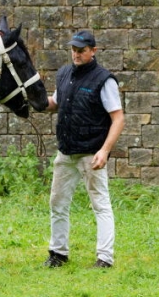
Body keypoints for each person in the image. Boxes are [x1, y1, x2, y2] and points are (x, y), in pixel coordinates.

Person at [42, 29, 124, 268]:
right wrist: (34, 98)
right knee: (57, 203)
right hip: (66, 152)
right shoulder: (64, 74)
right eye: (73, 50)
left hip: (92, 153)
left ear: (93, 51)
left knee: (101, 204)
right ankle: (58, 253)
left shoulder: (104, 80)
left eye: (81, 50)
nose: (76, 54)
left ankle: (105, 258)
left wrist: (105, 150)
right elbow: (54, 104)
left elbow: (118, 119)